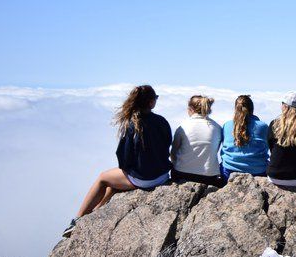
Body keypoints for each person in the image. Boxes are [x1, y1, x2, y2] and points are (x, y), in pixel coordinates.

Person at [63, 85, 171, 237]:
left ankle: (77, 220)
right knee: (113, 184)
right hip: (163, 175)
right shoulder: (162, 121)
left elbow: (124, 158)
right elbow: (167, 145)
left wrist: (131, 168)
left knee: (103, 178)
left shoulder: (133, 124)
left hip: (145, 179)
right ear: (151, 102)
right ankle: (95, 213)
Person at [170, 95, 223, 187]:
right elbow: (215, 150)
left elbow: (173, 152)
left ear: (190, 109)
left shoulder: (183, 127)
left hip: (183, 174)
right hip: (209, 176)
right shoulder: (217, 128)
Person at [219, 94, 270, 181]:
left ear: (236, 109)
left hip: (228, 172)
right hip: (258, 172)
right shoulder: (263, 126)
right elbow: (267, 147)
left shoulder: (227, 125)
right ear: (252, 109)